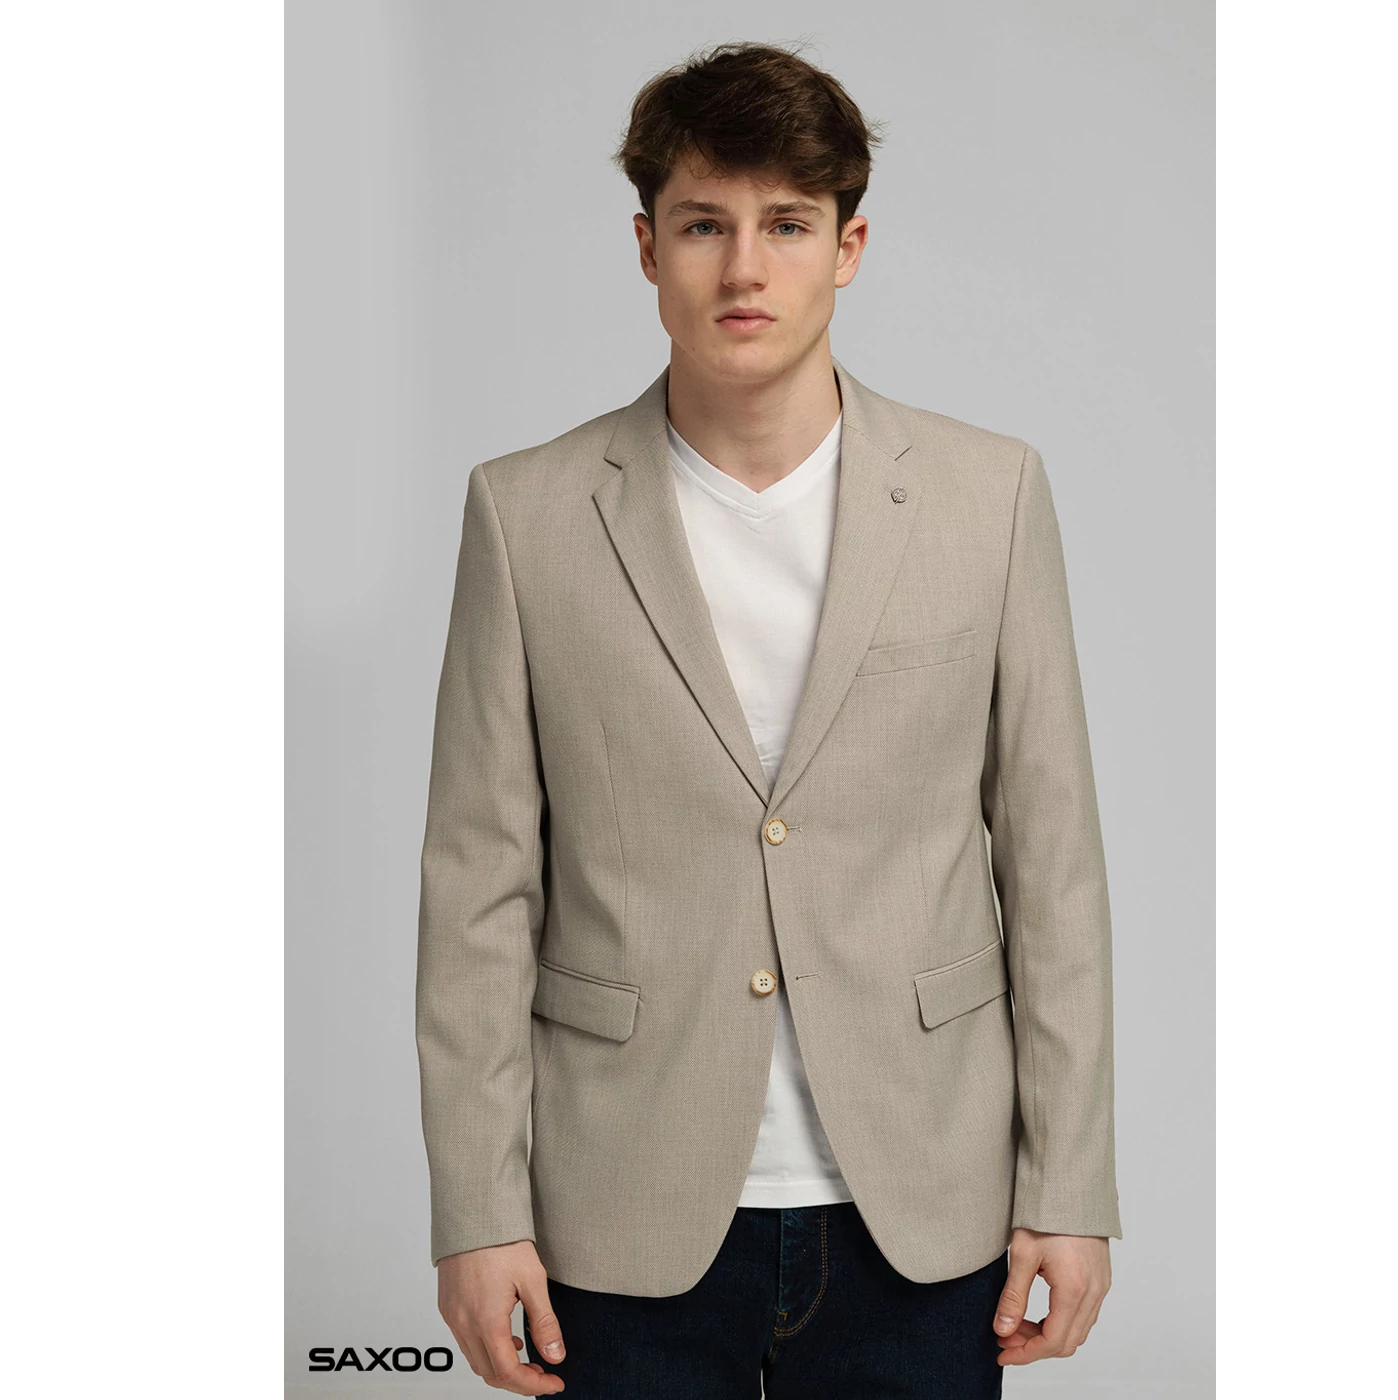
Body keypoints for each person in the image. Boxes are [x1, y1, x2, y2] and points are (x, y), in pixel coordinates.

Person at [415, 40, 1121, 1399]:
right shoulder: (527, 515)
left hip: (924, 1199)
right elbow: (477, 892)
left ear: (849, 246)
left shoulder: (989, 497)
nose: (745, 268)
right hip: (617, 1206)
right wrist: (477, 1213)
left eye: (788, 224)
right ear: (646, 247)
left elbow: (1055, 869)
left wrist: (1072, 1183)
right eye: (704, 225)